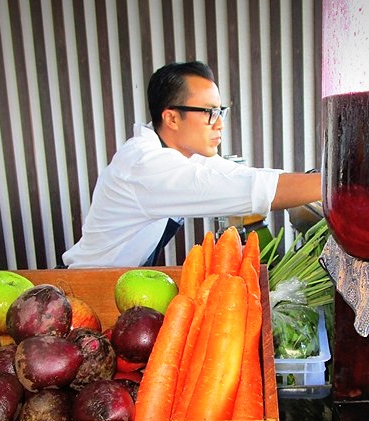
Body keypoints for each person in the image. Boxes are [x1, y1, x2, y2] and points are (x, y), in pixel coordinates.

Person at [62, 60, 321, 268]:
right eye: (210, 112)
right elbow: (250, 191)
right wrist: (337, 185)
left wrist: (321, 182)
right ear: (172, 118)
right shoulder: (145, 164)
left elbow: (244, 176)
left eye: (220, 111)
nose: (220, 124)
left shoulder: (185, 154)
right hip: (87, 286)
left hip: (122, 279)